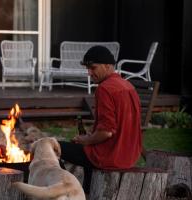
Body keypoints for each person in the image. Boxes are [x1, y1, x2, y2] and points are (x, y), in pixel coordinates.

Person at [59, 45, 142, 193]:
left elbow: (106, 132)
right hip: (129, 156)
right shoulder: (128, 85)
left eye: (93, 68)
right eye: (88, 69)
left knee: (52, 147)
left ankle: (63, 192)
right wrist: (92, 136)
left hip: (110, 157)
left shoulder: (104, 89)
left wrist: (86, 140)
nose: (89, 73)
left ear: (108, 66)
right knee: (84, 152)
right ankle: (87, 191)